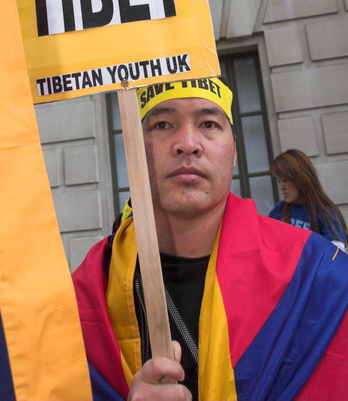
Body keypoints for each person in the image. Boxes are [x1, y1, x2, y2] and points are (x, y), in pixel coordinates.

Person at [72, 78, 348, 401]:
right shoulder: (86, 294)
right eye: (162, 124)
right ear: (133, 149)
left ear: (233, 151)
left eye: (208, 124)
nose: (187, 143)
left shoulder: (318, 277)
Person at [269, 149, 348, 251]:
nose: (282, 187)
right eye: (279, 181)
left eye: (285, 180)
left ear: (301, 178)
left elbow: (336, 251)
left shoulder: (324, 211)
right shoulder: (279, 210)